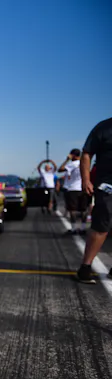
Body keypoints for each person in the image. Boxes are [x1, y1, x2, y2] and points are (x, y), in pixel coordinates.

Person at [76, 117, 112, 284]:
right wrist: (86, 179)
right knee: (101, 225)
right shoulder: (104, 128)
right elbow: (87, 154)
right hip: (107, 184)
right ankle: (85, 267)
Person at [59, 149, 87, 235]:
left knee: (72, 210)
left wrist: (67, 160)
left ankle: (74, 229)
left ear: (73, 155)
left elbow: (60, 169)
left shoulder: (72, 164)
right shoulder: (84, 163)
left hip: (72, 189)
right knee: (83, 210)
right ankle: (83, 228)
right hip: (82, 188)